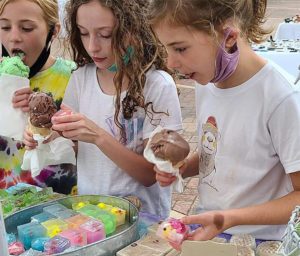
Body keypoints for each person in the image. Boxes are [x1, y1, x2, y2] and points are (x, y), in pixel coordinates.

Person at [148, 0, 300, 241]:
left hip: (261, 244)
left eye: (180, 49)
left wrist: (230, 218)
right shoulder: (207, 80)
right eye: (167, 49)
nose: (170, 63)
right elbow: (219, 150)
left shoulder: (281, 98)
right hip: (213, 230)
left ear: (228, 36)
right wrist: (184, 168)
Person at [47, 0, 182, 218]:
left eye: (106, 34)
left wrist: (99, 136)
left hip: (141, 221)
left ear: (134, 29)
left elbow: (151, 174)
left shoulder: (157, 85)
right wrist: (47, 138)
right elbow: (74, 149)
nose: (92, 46)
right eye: (83, 33)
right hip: (90, 216)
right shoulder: (81, 79)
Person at [0, 0, 77, 194]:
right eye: (4, 27)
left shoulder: (74, 77)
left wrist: (47, 121)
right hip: (6, 204)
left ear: (53, 31)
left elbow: (90, 149)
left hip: (58, 207)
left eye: (26, 28)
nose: (14, 37)